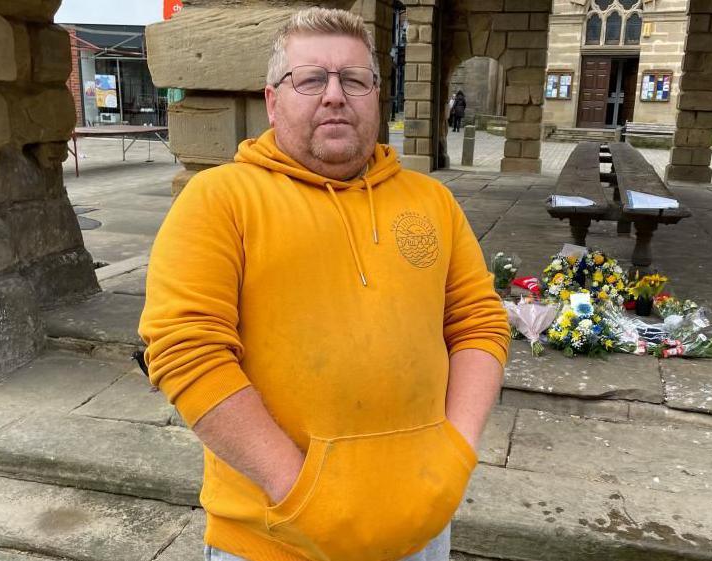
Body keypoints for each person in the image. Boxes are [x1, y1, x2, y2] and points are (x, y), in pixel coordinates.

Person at [139, 7, 510, 561]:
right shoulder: (220, 199)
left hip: (422, 529)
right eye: (310, 78)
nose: (335, 95)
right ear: (272, 100)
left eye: (354, 79)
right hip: (277, 537)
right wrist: (302, 494)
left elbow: (479, 323)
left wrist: (457, 449)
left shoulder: (432, 201)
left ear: (376, 98)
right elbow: (188, 353)